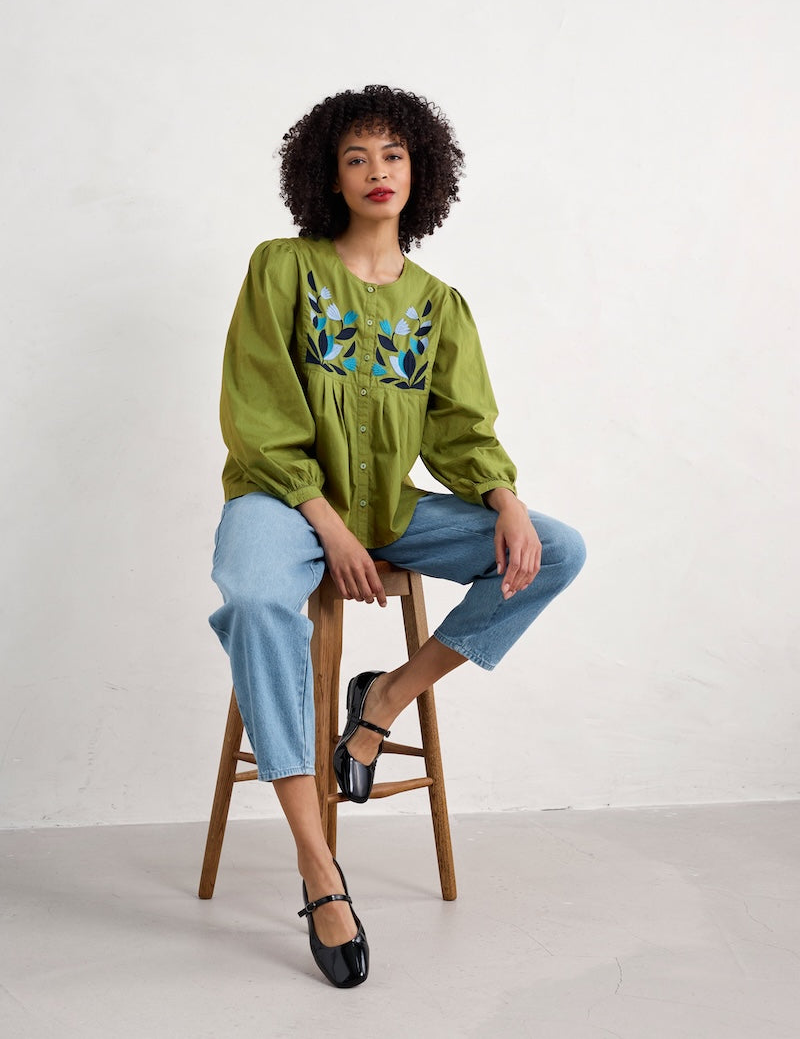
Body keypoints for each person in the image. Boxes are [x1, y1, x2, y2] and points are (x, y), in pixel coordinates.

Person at [209, 85, 586, 988]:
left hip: (394, 507)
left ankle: (381, 701)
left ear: (421, 171)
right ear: (327, 177)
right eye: (356, 158)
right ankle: (317, 865)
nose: (377, 172)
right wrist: (325, 519)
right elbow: (257, 413)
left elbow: (461, 430)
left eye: (393, 156)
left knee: (557, 548)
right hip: (280, 499)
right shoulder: (282, 268)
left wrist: (503, 500)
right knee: (261, 596)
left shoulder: (439, 304)